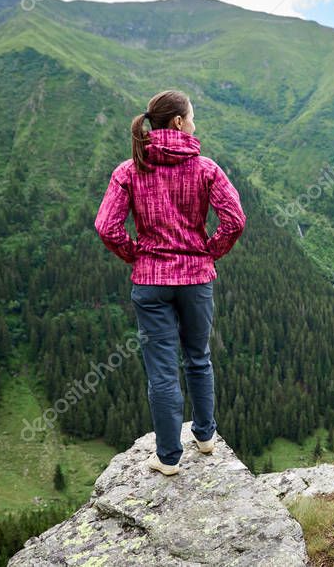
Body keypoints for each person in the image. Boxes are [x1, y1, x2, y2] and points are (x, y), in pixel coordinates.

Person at [94, 89, 246, 476]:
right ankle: (206, 436)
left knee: (162, 371)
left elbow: (107, 227)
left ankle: (168, 458)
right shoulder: (206, 168)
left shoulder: (128, 170)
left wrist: (137, 255)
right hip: (196, 279)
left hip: (151, 283)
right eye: (192, 117)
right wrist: (208, 251)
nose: (195, 124)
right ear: (178, 122)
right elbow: (235, 220)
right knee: (199, 358)